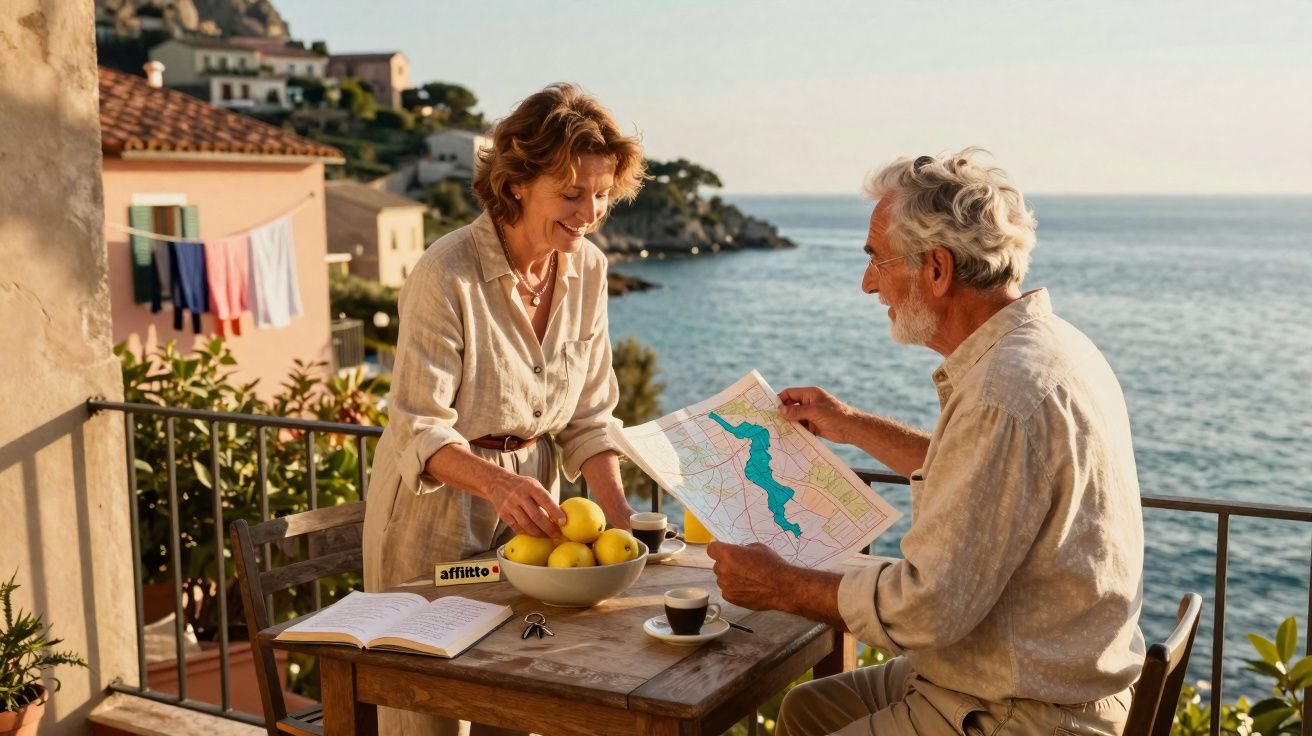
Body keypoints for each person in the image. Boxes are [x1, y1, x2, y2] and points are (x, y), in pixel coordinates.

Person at [708, 149, 1145, 736]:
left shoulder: (1002, 393)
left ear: (937, 270)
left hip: (1023, 709)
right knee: (805, 709)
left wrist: (782, 584)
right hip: (1022, 676)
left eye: (877, 261)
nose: (869, 285)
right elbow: (980, 479)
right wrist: (849, 423)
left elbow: (928, 608)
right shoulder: (1048, 348)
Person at [362, 83, 645, 735]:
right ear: (517, 182)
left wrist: (619, 512)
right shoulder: (445, 274)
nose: (591, 211)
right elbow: (419, 425)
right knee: (428, 712)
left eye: (602, 194)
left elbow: (592, 414)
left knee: (520, 701)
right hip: (438, 515)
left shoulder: (591, 271)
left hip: (536, 519)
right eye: (572, 193)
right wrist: (499, 483)